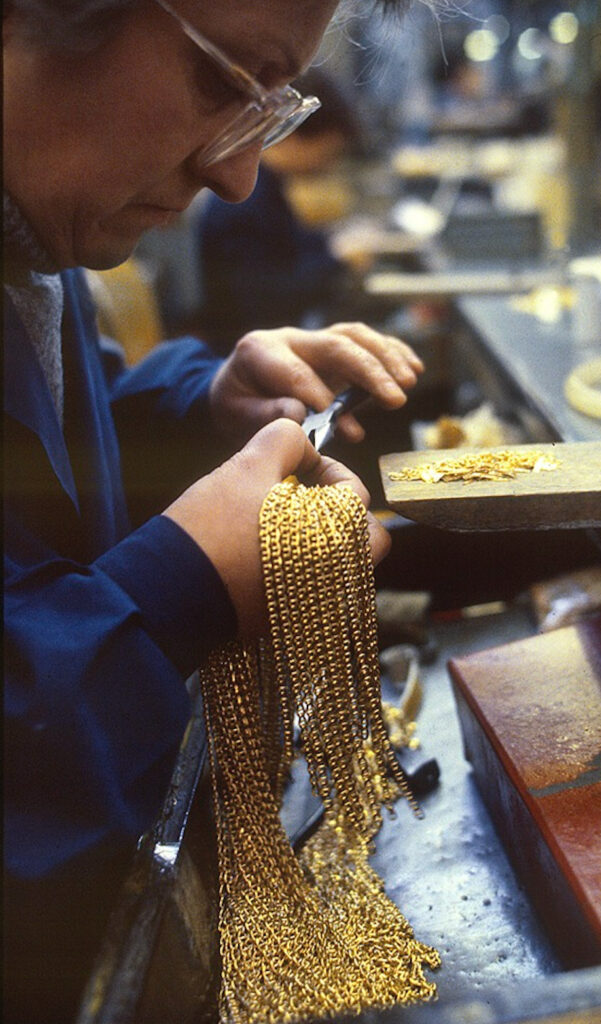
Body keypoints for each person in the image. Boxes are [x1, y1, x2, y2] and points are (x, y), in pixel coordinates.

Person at [2, 1, 426, 1020]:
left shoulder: (29, 248)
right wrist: (182, 585)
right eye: (223, 83)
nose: (237, 176)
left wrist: (199, 410)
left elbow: (50, 443)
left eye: (267, 108)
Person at [197, 68, 360, 351]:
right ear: (296, 132)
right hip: (242, 352)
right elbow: (263, 297)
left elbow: (288, 249)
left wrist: (334, 248)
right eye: (328, 152)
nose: (327, 164)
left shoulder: (269, 185)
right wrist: (338, 263)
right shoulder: (246, 196)